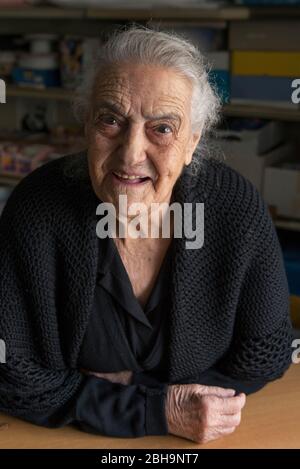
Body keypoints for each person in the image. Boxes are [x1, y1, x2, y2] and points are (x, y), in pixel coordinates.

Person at [0, 26, 292, 444]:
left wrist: (117, 388)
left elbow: (266, 353)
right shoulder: (36, 210)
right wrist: (161, 410)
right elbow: (12, 372)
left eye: (163, 128)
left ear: (192, 143)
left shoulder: (233, 208)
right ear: (86, 126)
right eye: (111, 120)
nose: (131, 153)